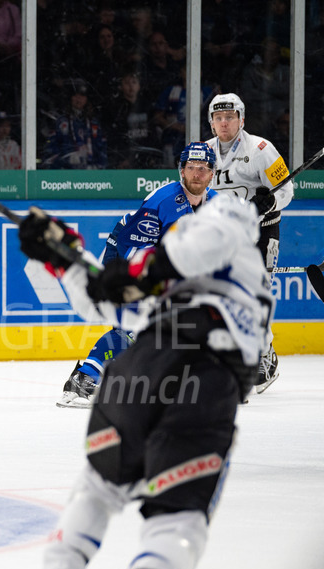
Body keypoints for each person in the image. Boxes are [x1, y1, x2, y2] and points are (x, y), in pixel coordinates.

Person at [15, 192, 274, 569]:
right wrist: (63, 254)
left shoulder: (203, 246)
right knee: (180, 510)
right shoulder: (227, 227)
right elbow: (116, 295)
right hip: (201, 375)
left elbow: (116, 296)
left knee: (97, 487)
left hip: (139, 369)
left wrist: (85, 268)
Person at [58, 141, 219, 407]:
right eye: (192, 167)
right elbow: (133, 251)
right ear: (181, 170)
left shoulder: (215, 205)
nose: (197, 174)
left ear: (212, 173)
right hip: (125, 255)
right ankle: (83, 378)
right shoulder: (163, 201)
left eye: (203, 168)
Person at [204, 92, 293, 393]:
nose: (224, 122)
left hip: (261, 232)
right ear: (212, 122)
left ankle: (265, 355)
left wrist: (268, 202)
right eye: (218, 118)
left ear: (242, 119)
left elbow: (287, 190)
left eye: (230, 117)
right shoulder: (204, 152)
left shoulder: (261, 149)